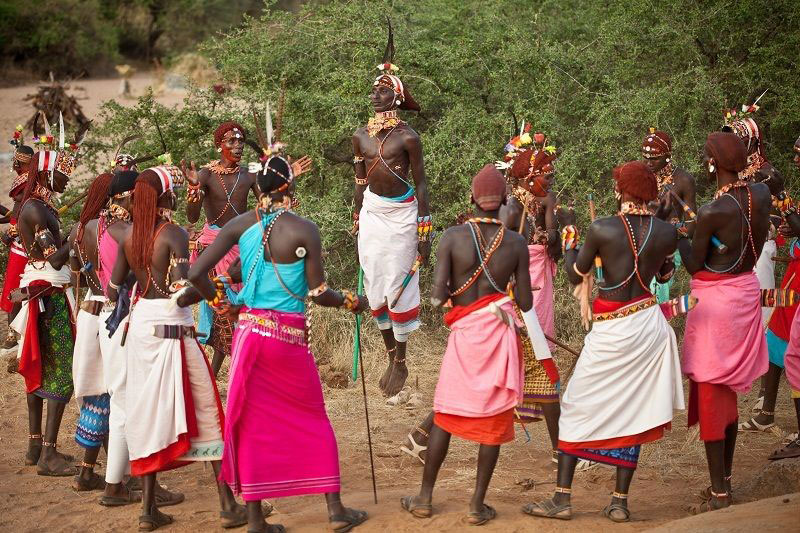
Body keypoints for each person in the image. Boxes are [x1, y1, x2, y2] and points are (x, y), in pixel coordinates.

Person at [189, 155, 368, 533]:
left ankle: (255, 520)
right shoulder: (304, 229)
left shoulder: (241, 225)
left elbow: (196, 272)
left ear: (262, 189)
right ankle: (335, 511)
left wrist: (225, 307)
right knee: (313, 417)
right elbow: (319, 293)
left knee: (249, 424)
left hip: (250, 336)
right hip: (288, 338)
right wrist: (353, 301)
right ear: (289, 187)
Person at [523, 161, 683, 523]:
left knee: (577, 403)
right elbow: (665, 273)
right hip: (648, 328)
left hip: (613, 328)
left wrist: (567, 234)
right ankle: (619, 502)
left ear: (621, 191)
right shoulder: (666, 231)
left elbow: (574, 274)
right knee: (634, 411)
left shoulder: (603, 228)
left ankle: (562, 499)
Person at [108, 166, 246, 531]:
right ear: (165, 196)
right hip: (173, 327)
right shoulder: (173, 234)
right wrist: (219, 287)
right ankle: (228, 506)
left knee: (148, 414)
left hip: (141, 328)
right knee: (206, 407)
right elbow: (182, 289)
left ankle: (148, 511)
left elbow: (114, 287)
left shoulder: (130, 235)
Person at [400, 164, 531, 526]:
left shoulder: (453, 237)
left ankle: (424, 499)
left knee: (445, 413)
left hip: (465, 336)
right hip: (499, 335)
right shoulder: (516, 242)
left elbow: (437, 296)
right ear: (503, 200)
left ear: (472, 199)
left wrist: (460, 302)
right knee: (494, 415)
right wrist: (498, 300)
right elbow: (527, 302)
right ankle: (476, 505)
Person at [679, 132, 770, 513]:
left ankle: (719, 494)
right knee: (727, 393)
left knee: (714, 395)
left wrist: (676, 232)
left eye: (706, 158)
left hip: (715, 305)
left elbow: (693, 264)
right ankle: (725, 481)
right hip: (746, 296)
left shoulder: (714, 212)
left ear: (713, 164)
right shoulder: (760, 196)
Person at [186, 122, 311, 376]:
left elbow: (267, 201)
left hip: (243, 246)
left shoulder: (250, 173)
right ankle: (223, 372)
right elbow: (191, 216)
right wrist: (194, 191)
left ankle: (240, 368)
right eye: (231, 142)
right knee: (221, 313)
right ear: (218, 145)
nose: (237, 146)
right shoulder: (206, 175)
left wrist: (285, 180)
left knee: (247, 310)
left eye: (241, 142)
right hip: (216, 249)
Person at [92, 170, 185, 507]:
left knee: (126, 403)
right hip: (124, 323)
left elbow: (110, 286)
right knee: (128, 406)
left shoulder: (103, 226)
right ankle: (118, 486)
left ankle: (128, 482)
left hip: (111, 320)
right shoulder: (127, 232)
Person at [352, 54, 431, 398]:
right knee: (374, 282)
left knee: (399, 283)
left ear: (396, 98)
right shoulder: (359, 136)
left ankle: (402, 357)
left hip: (403, 217)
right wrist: (356, 216)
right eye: (373, 91)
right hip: (372, 213)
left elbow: (423, 184)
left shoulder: (409, 138)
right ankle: (390, 356)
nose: (374, 96)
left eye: (382, 91)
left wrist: (425, 231)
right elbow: (358, 182)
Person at [12, 146, 79, 476]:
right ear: (48, 174)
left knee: (41, 368)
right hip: (49, 296)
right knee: (62, 369)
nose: (68, 180)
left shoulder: (38, 206)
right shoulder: (37, 210)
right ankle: (48, 455)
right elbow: (54, 258)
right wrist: (77, 236)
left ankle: (35, 446)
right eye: (63, 174)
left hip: (44, 292)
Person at [500, 133, 562, 451]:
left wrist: (550, 235)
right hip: (518, 280)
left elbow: (553, 235)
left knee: (539, 341)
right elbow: (502, 249)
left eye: (551, 176)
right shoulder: (510, 208)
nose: (550, 181)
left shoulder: (547, 200)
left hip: (539, 274)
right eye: (545, 176)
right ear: (528, 178)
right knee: (525, 343)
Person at [67, 172, 114, 491]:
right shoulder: (113, 229)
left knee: (99, 393)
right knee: (112, 394)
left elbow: (74, 277)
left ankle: (89, 470)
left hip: (87, 311)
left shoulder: (78, 230)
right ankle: (114, 475)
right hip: (110, 313)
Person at [760, 134, 800, 460]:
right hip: (794, 275)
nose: (797, 159)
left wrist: (782, 194)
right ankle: (767, 410)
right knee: (778, 335)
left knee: (794, 353)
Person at [641, 128, 697, 302]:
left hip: (669, 247)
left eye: (655, 158)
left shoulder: (683, 180)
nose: (649, 163)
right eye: (646, 158)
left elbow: (692, 228)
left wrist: (669, 224)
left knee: (657, 297)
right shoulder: (639, 177)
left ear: (668, 156)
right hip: (640, 245)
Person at [1, 134, 34, 351]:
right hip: (19, 244)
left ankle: (14, 335)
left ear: (19, 162)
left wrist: (10, 232)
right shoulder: (27, 179)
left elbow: (23, 214)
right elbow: (16, 212)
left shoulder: (28, 182)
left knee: (16, 290)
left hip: (23, 246)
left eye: (16, 161)